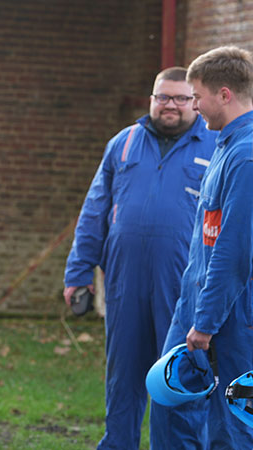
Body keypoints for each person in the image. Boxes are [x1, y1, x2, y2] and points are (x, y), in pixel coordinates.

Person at [63, 66, 217, 449]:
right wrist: (78, 271)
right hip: (124, 281)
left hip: (183, 285)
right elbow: (95, 209)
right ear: (151, 99)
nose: (170, 105)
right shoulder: (124, 143)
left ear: (195, 104)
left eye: (181, 98)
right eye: (162, 97)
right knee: (123, 377)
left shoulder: (215, 146)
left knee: (176, 377)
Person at [149, 46, 253, 449]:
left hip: (232, 321)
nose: (194, 106)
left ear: (224, 95)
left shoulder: (245, 159)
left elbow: (234, 254)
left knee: (231, 426)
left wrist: (206, 324)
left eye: (197, 96)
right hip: (195, 307)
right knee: (170, 408)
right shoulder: (225, 147)